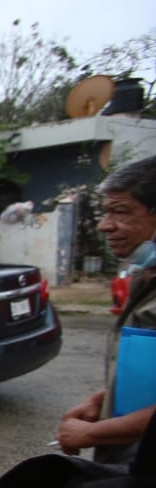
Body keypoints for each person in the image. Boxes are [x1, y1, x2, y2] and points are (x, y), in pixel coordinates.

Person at [57, 154, 156, 464]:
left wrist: (92, 435)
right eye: (106, 212)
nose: (104, 225)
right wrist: (106, 399)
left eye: (121, 212)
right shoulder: (144, 279)